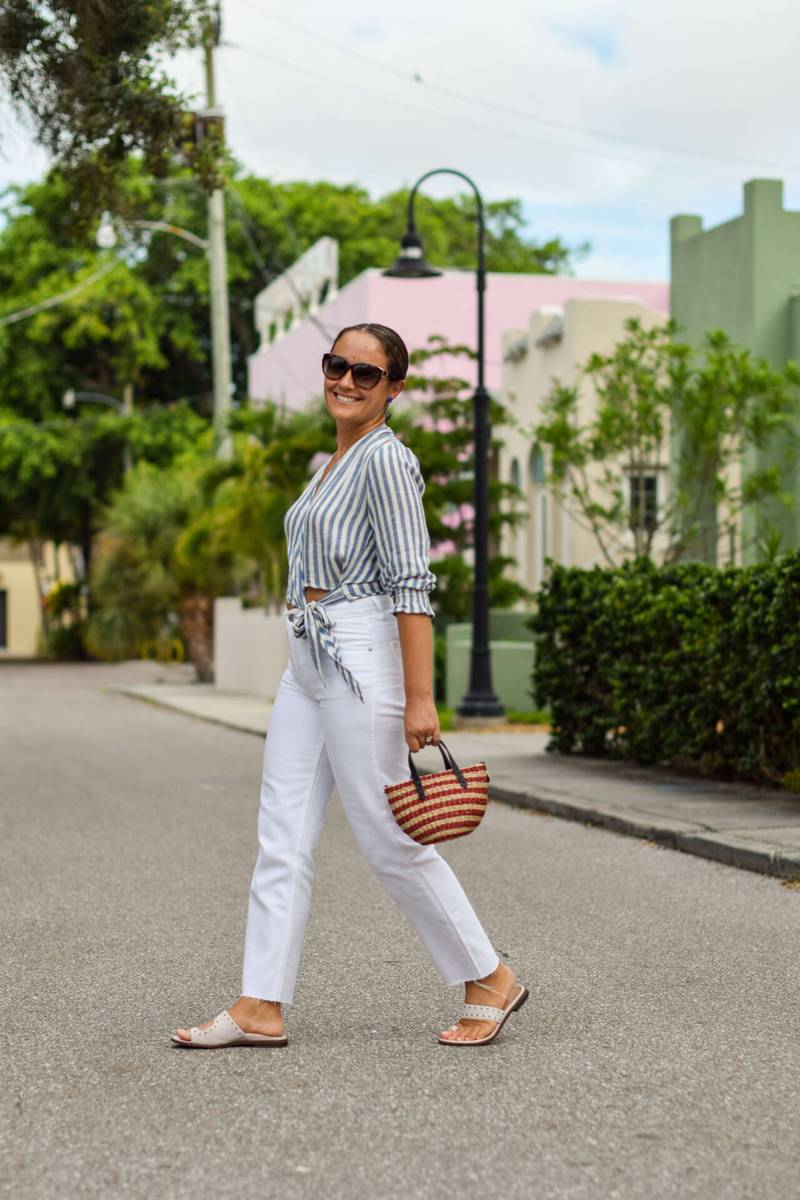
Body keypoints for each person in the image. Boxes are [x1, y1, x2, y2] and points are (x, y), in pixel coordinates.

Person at [172, 323, 527, 1049]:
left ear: (393, 389)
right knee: (282, 835)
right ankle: (260, 1003)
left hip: (363, 656)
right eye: (338, 366)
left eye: (367, 375)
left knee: (390, 834)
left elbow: (411, 585)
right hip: (306, 656)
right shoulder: (327, 464)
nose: (346, 382)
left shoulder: (387, 463)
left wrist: (421, 699)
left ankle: (487, 974)